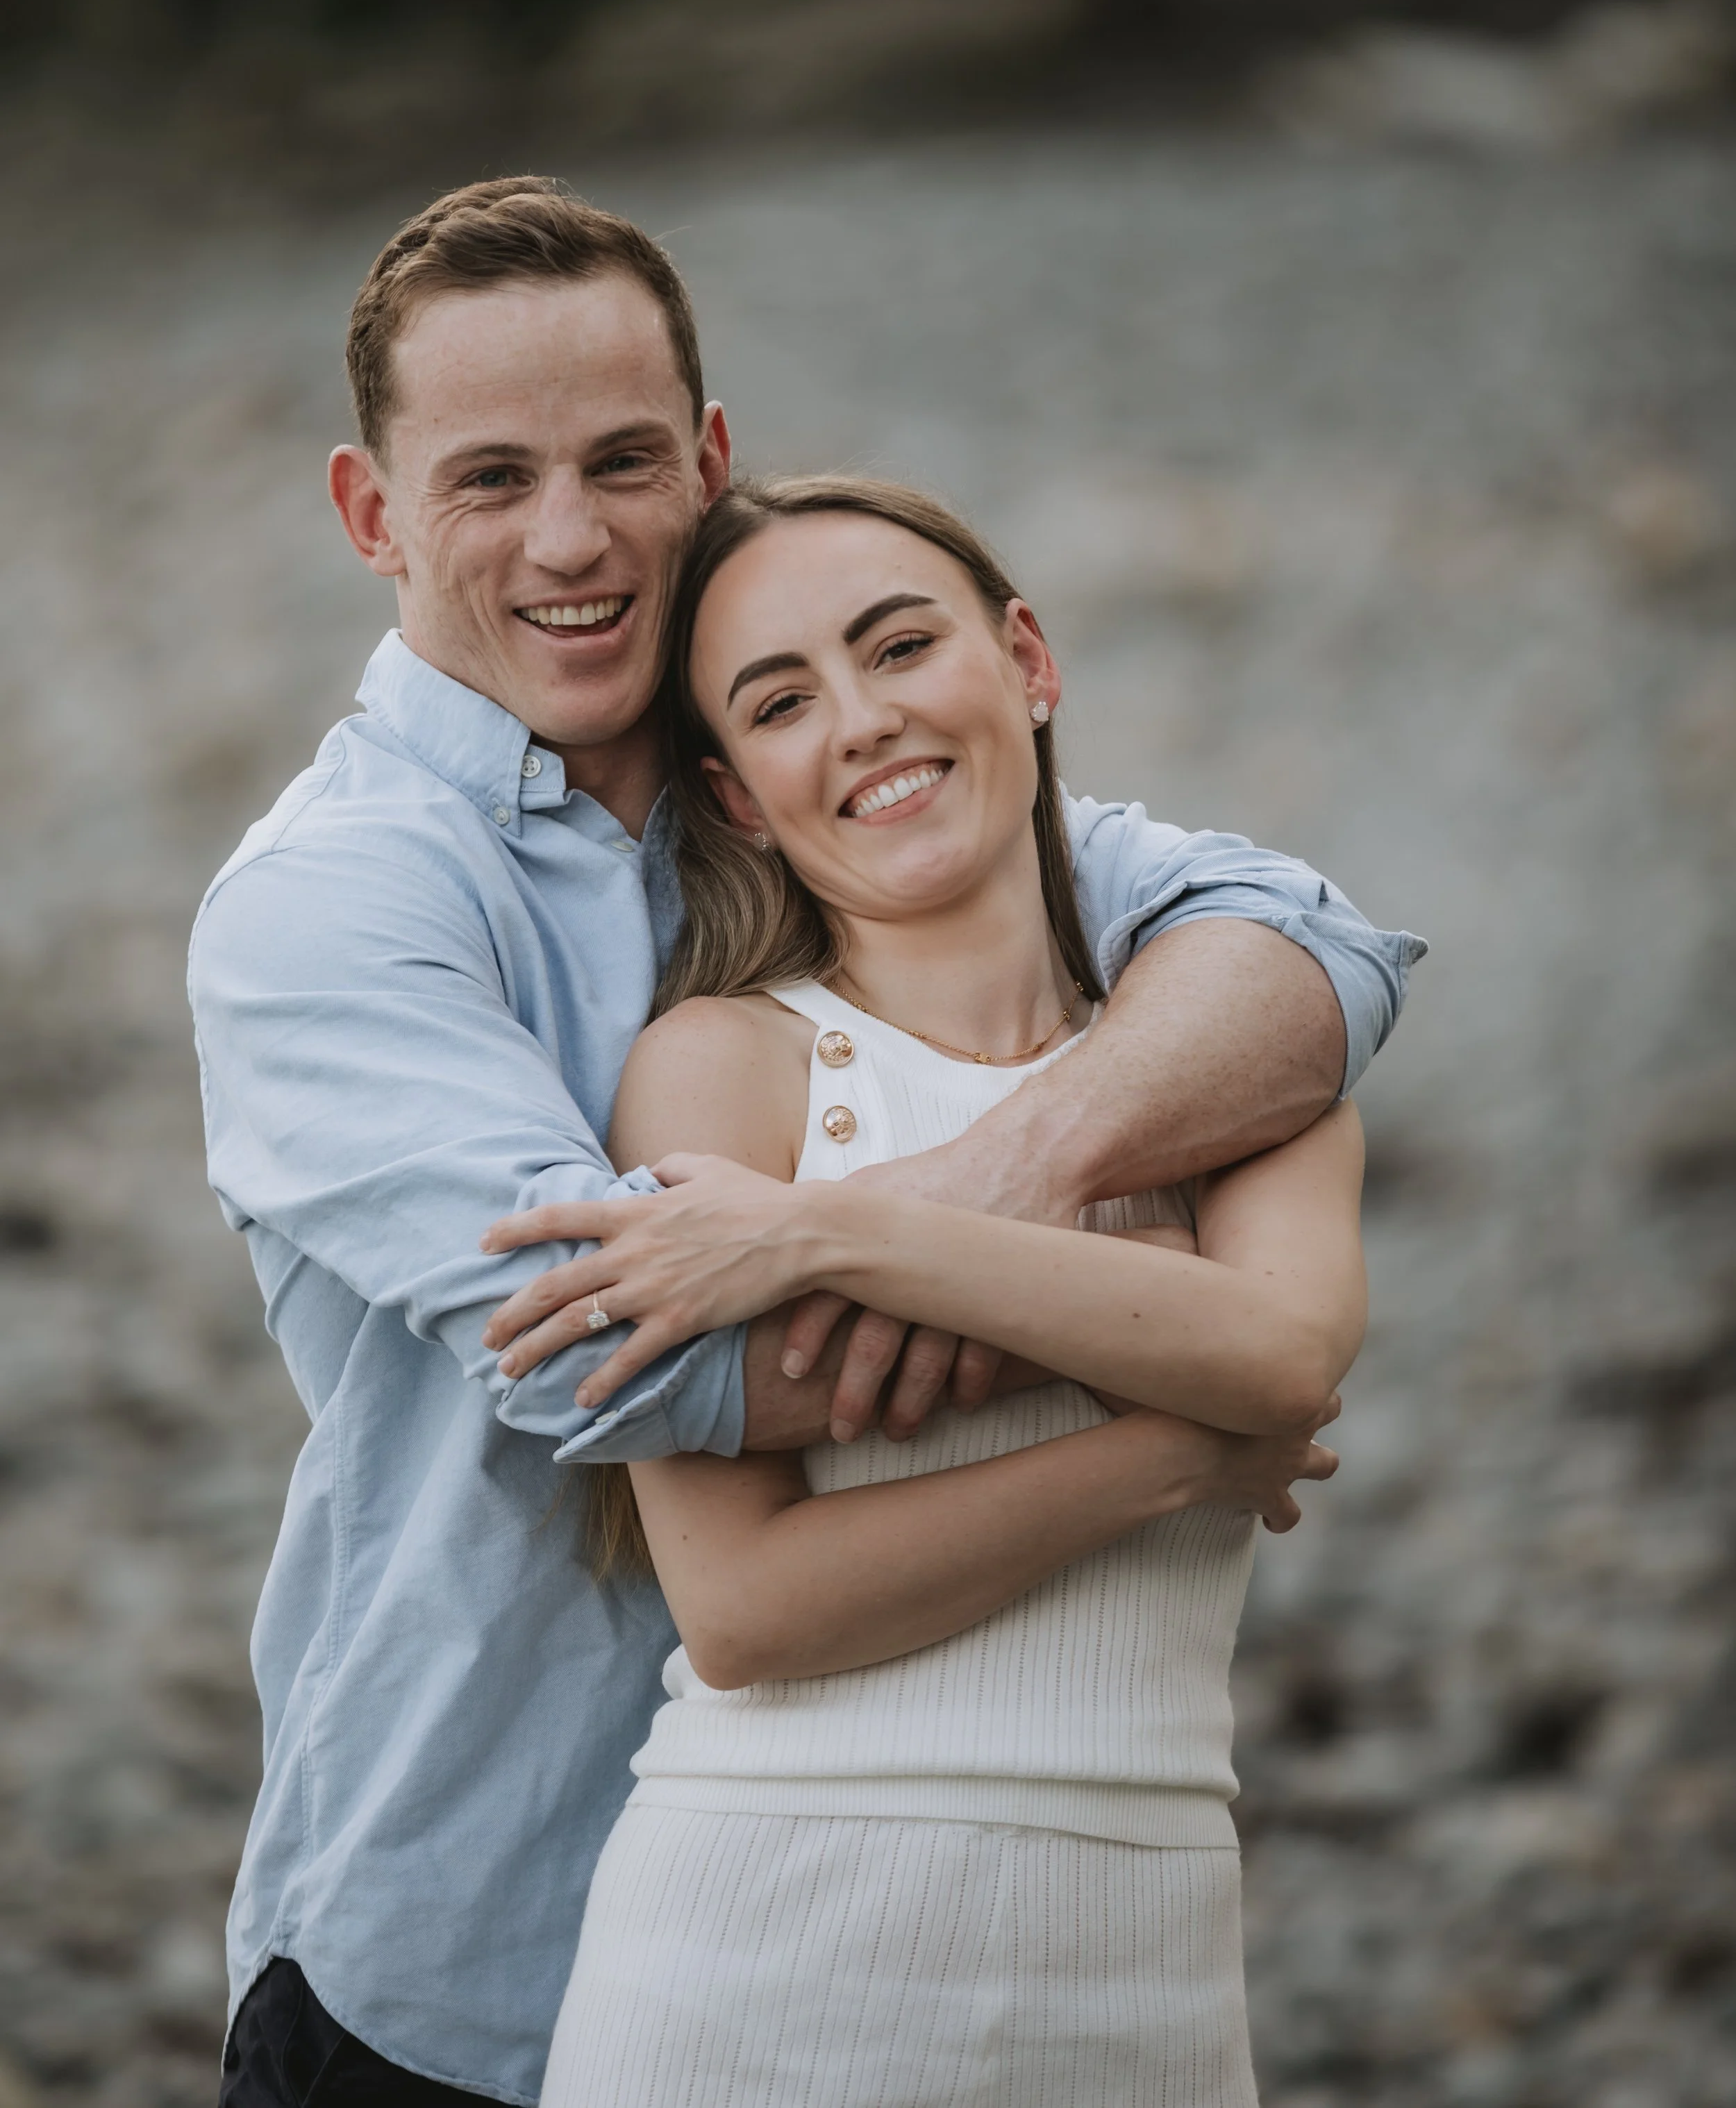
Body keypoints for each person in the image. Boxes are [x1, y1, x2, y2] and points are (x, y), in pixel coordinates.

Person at [188, 176, 1422, 2106]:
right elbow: (622, 1351)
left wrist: (968, 1189)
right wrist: (1191, 1350)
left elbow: (1298, 952)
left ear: (707, 460)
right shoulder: (334, 904)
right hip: (463, 1953)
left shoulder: (834, 784)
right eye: (491, 479)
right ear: (373, 515)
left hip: (979, 1928)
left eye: (622, 461)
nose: (573, 537)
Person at [483, 476, 1364, 2107]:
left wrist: (829, 1237)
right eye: (780, 703)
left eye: (898, 647)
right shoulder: (719, 1068)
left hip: (1150, 1972)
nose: (863, 720)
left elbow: (1283, 1356)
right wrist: (1174, 1448)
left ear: (1025, 660)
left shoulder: (1234, 1061)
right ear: (738, 799)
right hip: (753, 1962)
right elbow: (745, 1613)